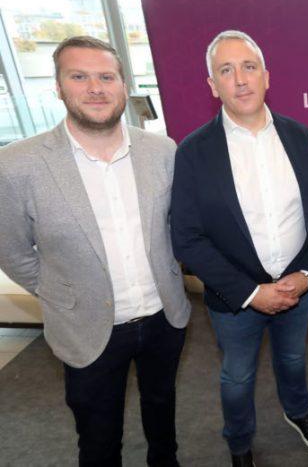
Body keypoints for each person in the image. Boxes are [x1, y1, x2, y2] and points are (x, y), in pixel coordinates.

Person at [0, 36, 190, 466]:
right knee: (99, 440)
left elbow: (175, 228)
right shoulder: (17, 165)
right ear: (59, 87)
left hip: (164, 318)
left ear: (124, 85)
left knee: (163, 419)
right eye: (79, 76)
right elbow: (13, 252)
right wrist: (63, 292)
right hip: (85, 327)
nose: (96, 88)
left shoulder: (162, 151)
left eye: (107, 77)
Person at [170, 30, 308, 466]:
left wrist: (307, 274)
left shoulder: (300, 136)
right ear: (212, 85)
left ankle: (298, 411)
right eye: (226, 70)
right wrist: (251, 292)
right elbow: (186, 237)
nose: (239, 79)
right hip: (234, 299)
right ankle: (239, 443)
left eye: (249, 67)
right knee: (236, 377)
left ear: (266, 76)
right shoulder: (193, 152)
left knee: (295, 358)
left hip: (299, 287)